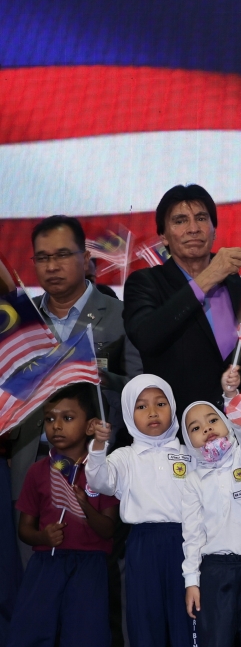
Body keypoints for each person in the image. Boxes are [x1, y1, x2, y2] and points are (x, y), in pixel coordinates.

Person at [10, 215, 136, 562]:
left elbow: (141, 394)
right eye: (43, 258)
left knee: (101, 591)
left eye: (63, 255)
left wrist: (100, 376)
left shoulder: (120, 315)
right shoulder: (20, 322)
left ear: (85, 258)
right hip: (35, 469)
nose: (52, 266)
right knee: (37, 585)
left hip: (101, 470)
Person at [124, 184, 241, 413]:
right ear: (163, 236)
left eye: (201, 218)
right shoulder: (146, 283)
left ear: (214, 229)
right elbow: (146, 337)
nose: (193, 229)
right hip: (180, 429)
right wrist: (209, 276)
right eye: (180, 220)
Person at [8, 384, 120, 647]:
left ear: (91, 426)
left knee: (86, 635)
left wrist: (85, 506)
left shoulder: (104, 472)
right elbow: (24, 529)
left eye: (67, 418)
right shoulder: (38, 471)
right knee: (31, 631)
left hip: (89, 568)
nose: (56, 425)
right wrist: (42, 536)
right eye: (49, 418)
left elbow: (108, 529)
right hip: (47, 564)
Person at [85, 375, 192, 647]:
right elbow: (99, 482)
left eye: (161, 403)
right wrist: (98, 447)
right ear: (129, 414)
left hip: (187, 542)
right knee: (145, 617)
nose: (153, 412)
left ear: (173, 407)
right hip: (143, 544)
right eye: (141, 406)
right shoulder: (124, 457)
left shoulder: (188, 453)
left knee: (187, 615)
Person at [180, 400, 241, 647]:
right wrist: (192, 580)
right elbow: (192, 535)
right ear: (188, 441)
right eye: (195, 427)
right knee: (215, 640)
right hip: (215, 570)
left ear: (226, 423)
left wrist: (230, 395)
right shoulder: (193, 480)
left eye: (213, 420)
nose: (206, 428)